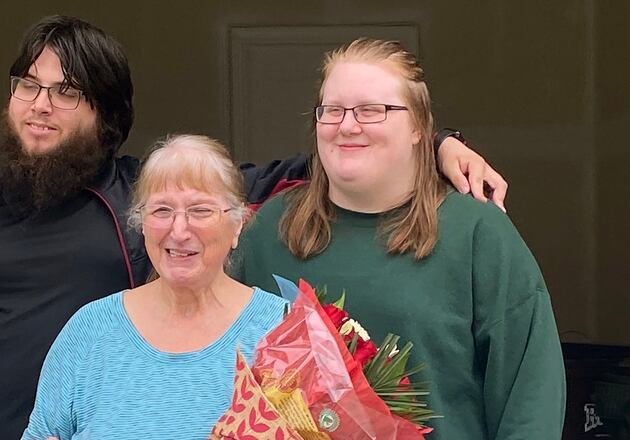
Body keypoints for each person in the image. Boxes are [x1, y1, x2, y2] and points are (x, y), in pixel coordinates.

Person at [0, 16, 506, 440]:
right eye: (28, 86)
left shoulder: (147, 201)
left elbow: (308, 167)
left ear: (106, 116)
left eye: (67, 92)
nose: (40, 105)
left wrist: (431, 143)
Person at [236, 39, 566, 439]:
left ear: (419, 128)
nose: (347, 126)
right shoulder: (269, 231)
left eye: (371, 110)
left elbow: (530, 400)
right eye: (333, 110)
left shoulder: (477, 234)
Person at [22, 134, 287, 439]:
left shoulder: (283, 331)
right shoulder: (89, 332)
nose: (179, 231)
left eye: (200, 210)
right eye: (162, 210)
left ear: (237, 223)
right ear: (142, 223)